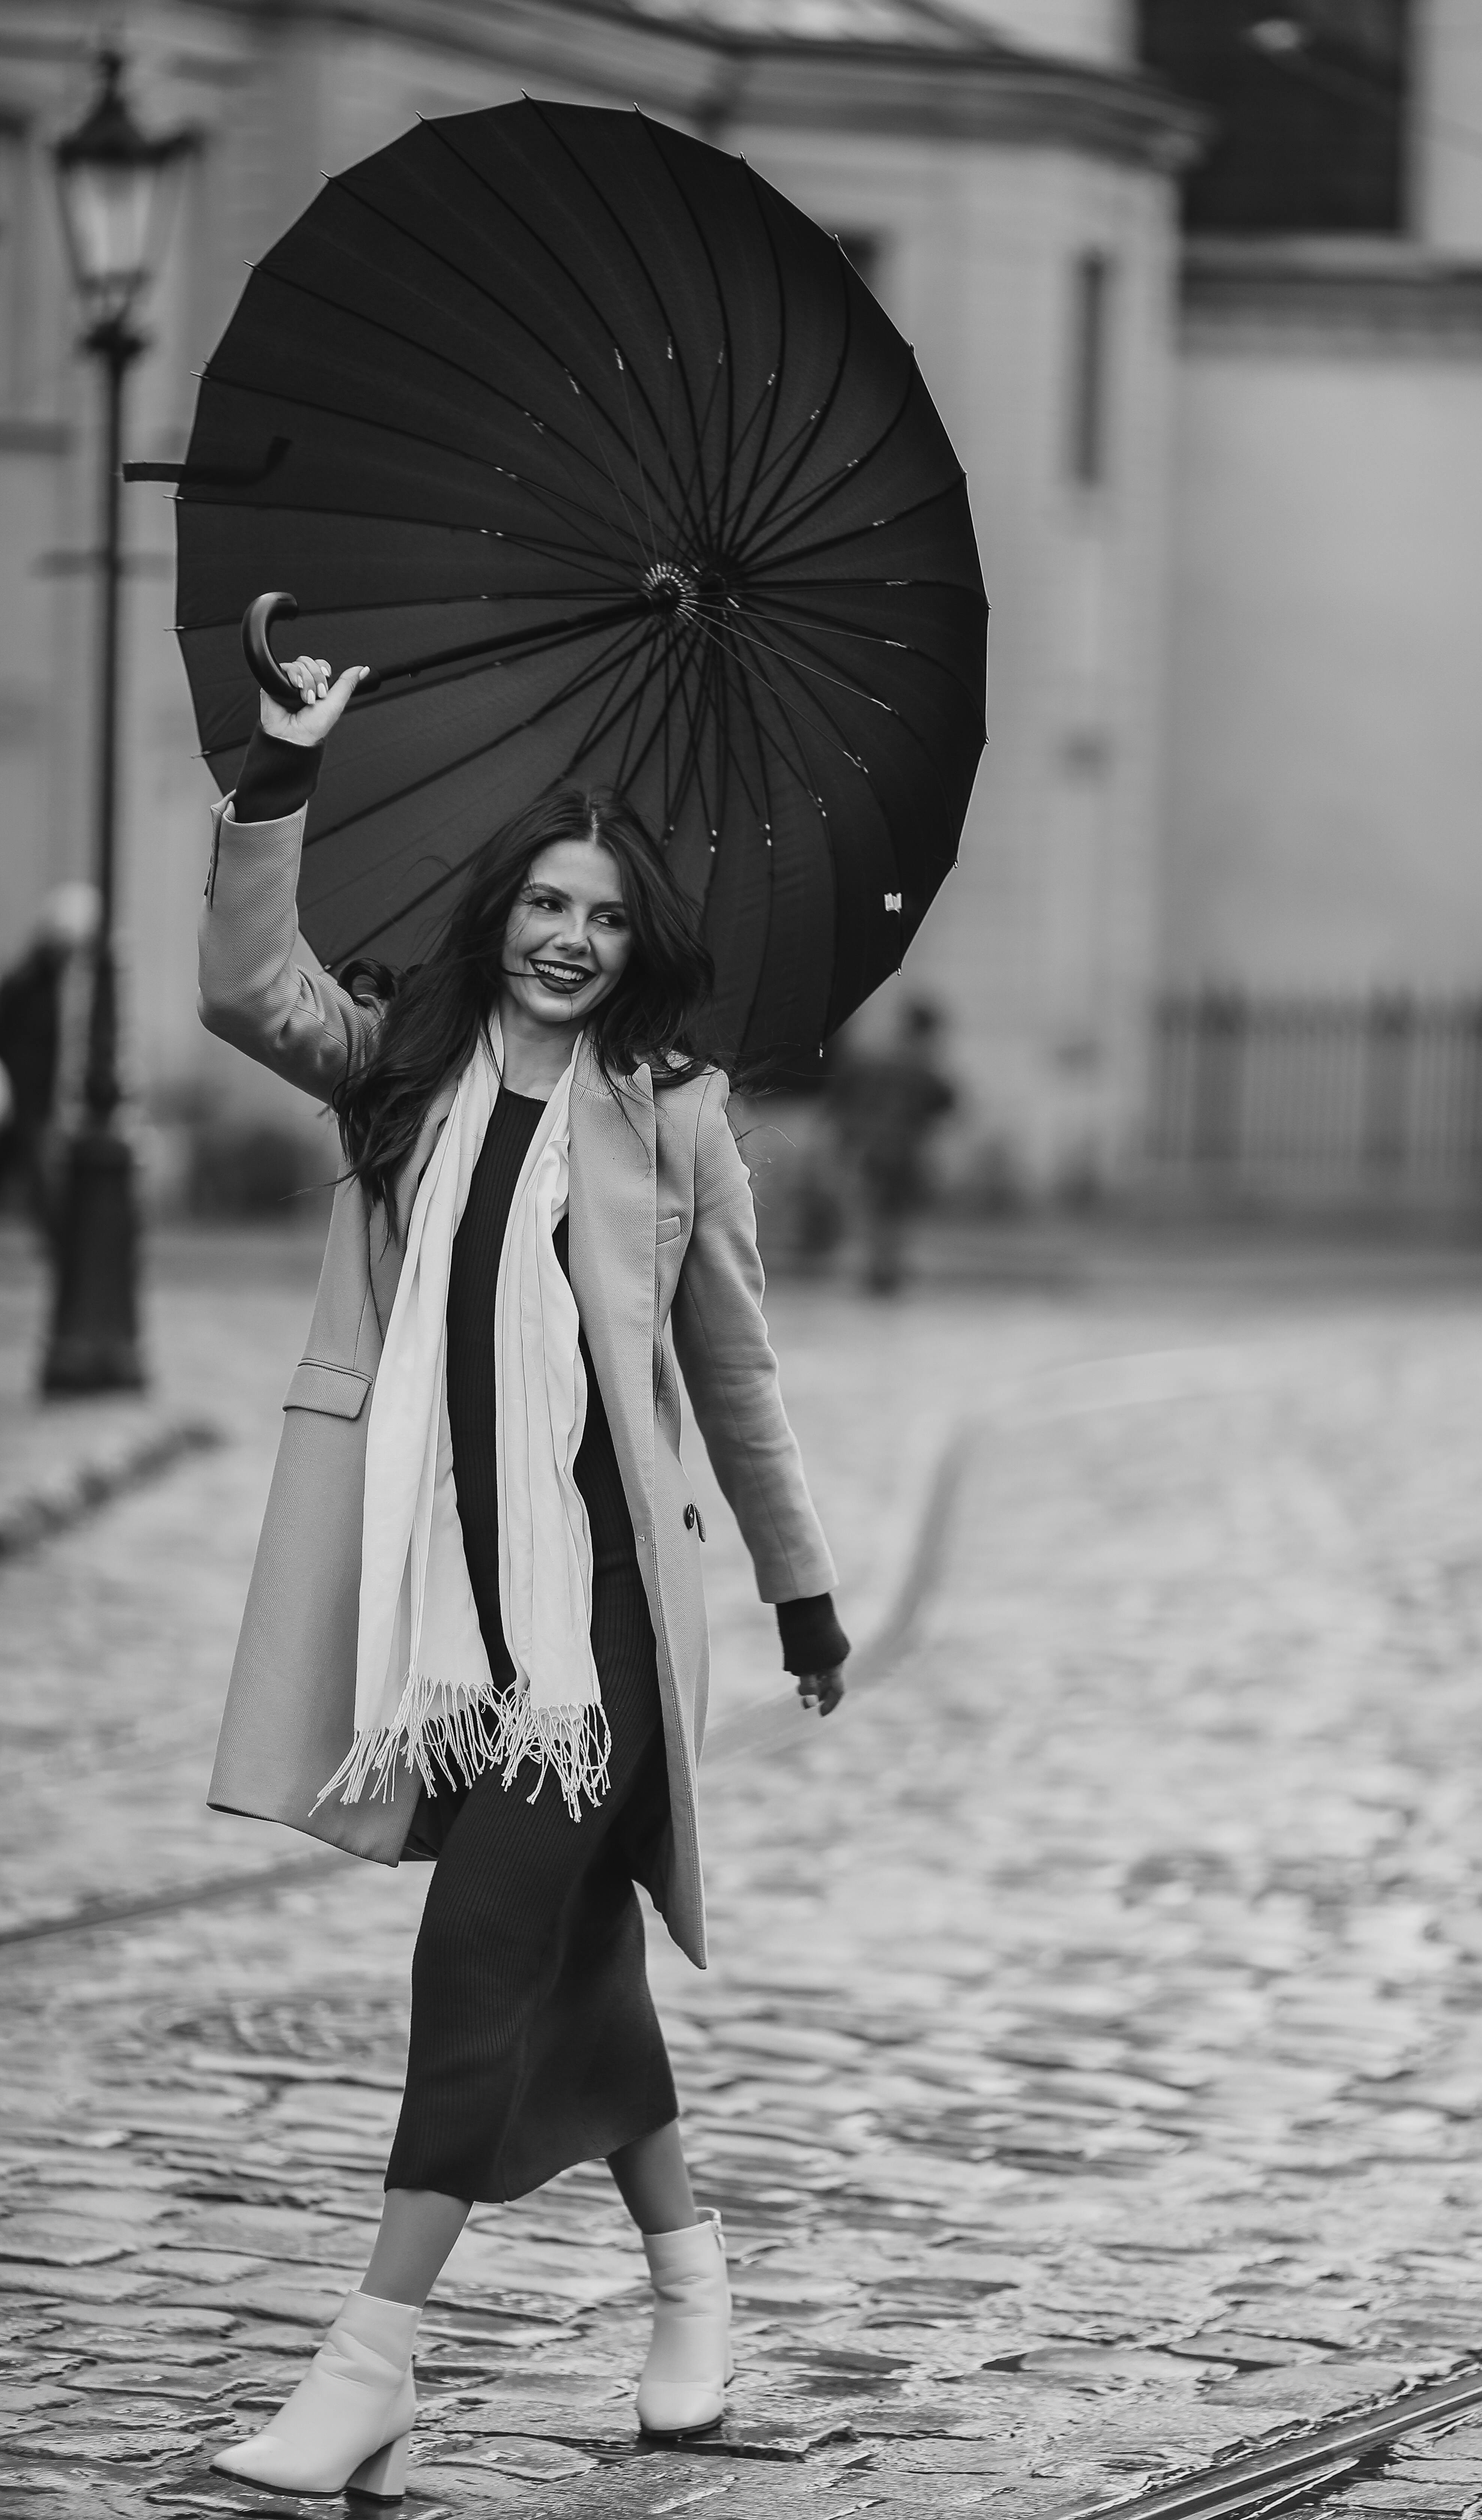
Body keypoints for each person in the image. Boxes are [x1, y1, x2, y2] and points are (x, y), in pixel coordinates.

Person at [197, 652, 850, 2498]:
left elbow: (733, 1371)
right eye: (548, 906)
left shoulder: (669, 1109)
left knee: (480, 1941)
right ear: (501, 914)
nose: (570, 939)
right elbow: (244, 986)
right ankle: (694, 2286)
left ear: (641, 946)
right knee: (575, 1968)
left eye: (606, 917)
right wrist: (283, 767)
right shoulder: (401, 1067)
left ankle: (369, 2364)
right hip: (447, 1607)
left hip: (601, 1624)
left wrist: (799, 1591)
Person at [829, 998, 956, 1294]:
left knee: (877, 1208)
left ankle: (879, 1267)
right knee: (896, 1211)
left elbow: (844, 1103)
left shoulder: (875, 1061)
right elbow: (948, 1106)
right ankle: (888, 1267)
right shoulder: (923, 1069)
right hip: (904, 1150)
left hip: (874, 1148)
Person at [0, 882, 99, 1231]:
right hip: (27, 1095)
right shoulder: (26, 984)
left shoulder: (70, 985)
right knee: (41, 1172)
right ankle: (63, 1240)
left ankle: (63, 1239)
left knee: (40, 1171)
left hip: (48, 1097)